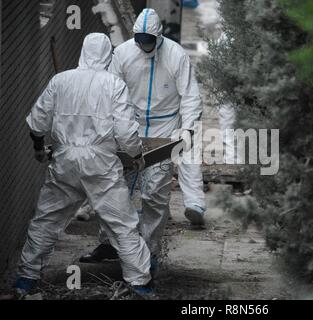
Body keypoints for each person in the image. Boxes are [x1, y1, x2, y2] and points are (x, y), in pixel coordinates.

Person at [13, 33, 153, 297]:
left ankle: (26, 278)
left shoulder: (60, 80)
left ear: (83, 52)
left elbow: (37, 122)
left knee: (46, 220)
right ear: (107, 55)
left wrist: (38, 148)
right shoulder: (114, 84)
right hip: (101, 164)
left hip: (64, 160)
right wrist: (136, 155)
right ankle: (140, 283)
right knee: (122, 224)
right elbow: (125, 132)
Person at [79, 8, 204, 267]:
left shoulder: (175, 55)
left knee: (155, 193)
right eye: (140, 40)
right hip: (130, 126)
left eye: (148, 41)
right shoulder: (123, 54)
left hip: (164, 129)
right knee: (114, 187)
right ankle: (109, 244)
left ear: (158, 38)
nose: (144, 45)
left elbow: (190, 95)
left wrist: (187, 129)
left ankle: (149, 251)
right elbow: (109, 90)